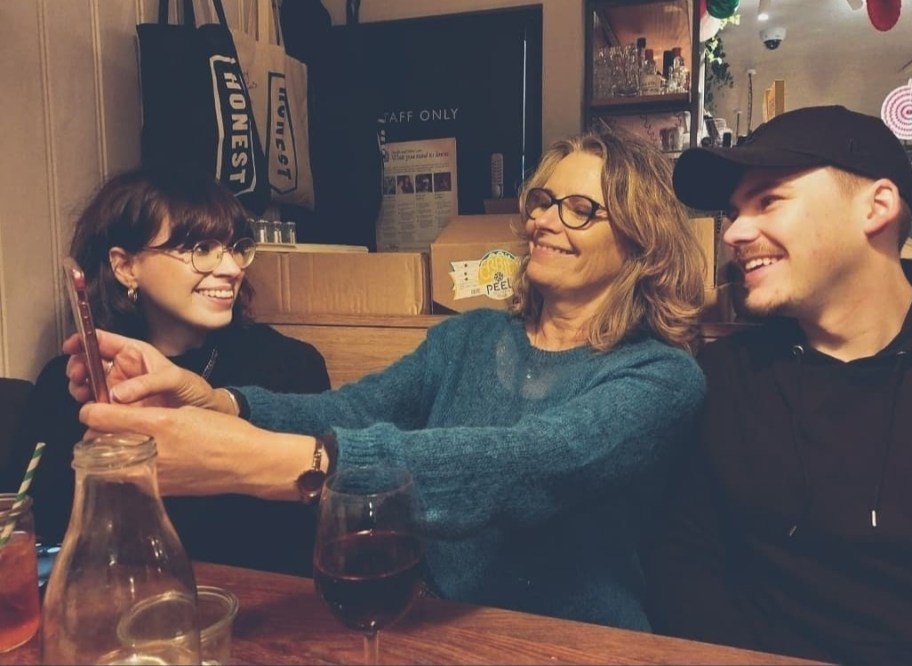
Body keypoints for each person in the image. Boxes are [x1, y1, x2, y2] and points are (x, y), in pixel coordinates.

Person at [67, 129, 706, 630]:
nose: (544, 220)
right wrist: (214, 399)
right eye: (541, 200)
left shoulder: (661, 375)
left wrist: (283, 464)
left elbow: (531, 463)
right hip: (431, 621)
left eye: (579, 209)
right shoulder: (470, 336)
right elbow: (353, 407)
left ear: (641, 241)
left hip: (574, 641)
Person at [649, 105, 912, 664]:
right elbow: (684, 559)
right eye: (732, 211)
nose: (733, 233)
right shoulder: (728, 376)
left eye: (767, 199)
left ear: (877, 206)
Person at [2, 167, 332, 576]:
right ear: (125, 266)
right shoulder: (69, 382)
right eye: (202, 248)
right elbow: (36, 536)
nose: (231, 268)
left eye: (235, 248)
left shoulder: (289, 367)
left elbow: (298, 542)